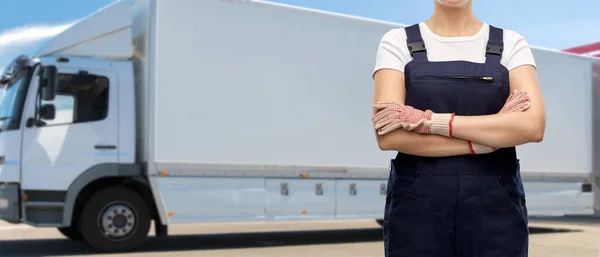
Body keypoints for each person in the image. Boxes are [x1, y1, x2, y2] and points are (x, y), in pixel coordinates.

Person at [371, 0, 546, 256]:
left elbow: (533, 126)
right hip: (417, 215)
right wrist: (488, 140)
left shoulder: (511, 43)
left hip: (496, 215)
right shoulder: (396, 42)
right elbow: (388, 135)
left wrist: (431, 122)